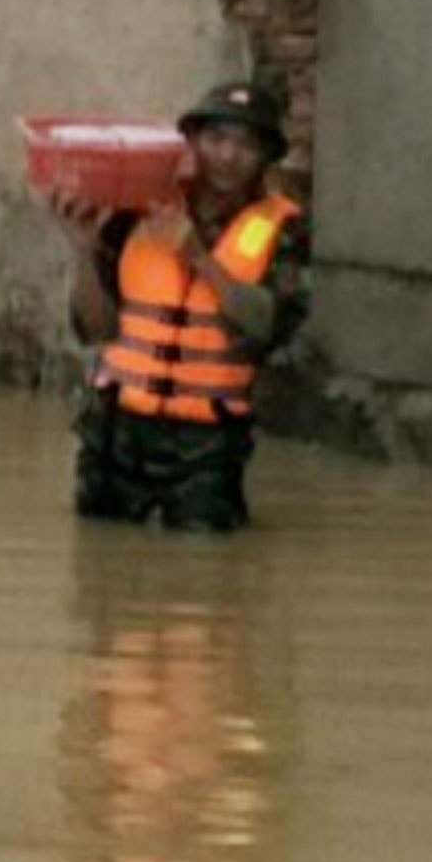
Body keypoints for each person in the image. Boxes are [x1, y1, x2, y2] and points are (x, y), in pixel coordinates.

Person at [68, 78, 310, 533]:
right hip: (115, 432)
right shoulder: (139, 208)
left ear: (265, 158)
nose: (228, 156)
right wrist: (84, 252)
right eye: (216, 139)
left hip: (207, 444)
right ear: (193, 142)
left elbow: (266, 326)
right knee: (98, 569)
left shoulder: (284, 231)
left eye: (245, 145)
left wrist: (199, 258)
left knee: (202, 579)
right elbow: (95, 328)